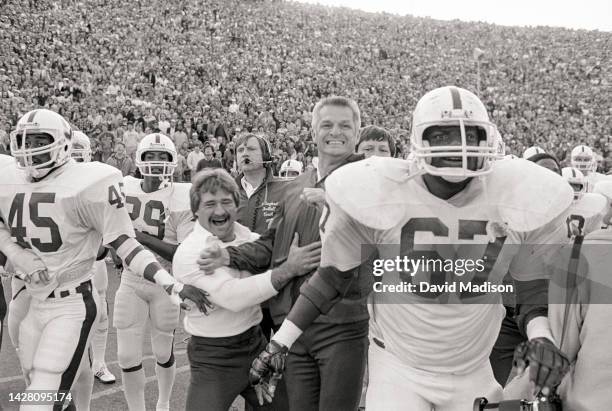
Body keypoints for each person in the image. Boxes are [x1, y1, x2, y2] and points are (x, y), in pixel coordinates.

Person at [246, 87, 574, 411]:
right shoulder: (380, 190)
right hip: (398, 366)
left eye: (469, 135)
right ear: (421, 140)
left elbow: (530, 288)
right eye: (444, 134)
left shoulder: (512, 195)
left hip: (472, 367)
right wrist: (280, 342)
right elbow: (332, 279)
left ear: (486, 141)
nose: (458, 145)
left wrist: (541, 335)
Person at [0, 109, 211, 411]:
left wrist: (171, 284)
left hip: (71, 299)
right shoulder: (7, 176)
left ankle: (162, 403)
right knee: (40, 384)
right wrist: (16, 256)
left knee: (42, 398)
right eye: (24, 140)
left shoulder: (91, 182)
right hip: (33, 295)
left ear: (62, 143)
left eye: (40, 139)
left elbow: (124, 244)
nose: (32, 148)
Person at [199, 97, 369, 411]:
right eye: (327, 124)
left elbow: (379, 241)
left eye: (345, 125)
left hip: (340, 326)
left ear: (358, 132)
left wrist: (334, 202)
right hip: (293, 327)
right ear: (314, 132)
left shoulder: (371, 179)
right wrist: (230, 256)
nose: (336, 132)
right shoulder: (296, 186)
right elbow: (270, 243)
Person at [173, 168, 318, 411]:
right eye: (210, 204)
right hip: (214, 359)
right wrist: (288, 269)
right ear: (195, 210)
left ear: (236, 204)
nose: (219, 210)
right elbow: (234, 297)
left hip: (254, 346)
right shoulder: (191, 252)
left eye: (226, 201)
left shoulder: (251, 239)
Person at [115, 133, 195, 411]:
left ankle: (163, 402)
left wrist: (137, 237)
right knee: (126, 355)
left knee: (163, 351)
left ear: (173, 162)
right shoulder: (124, 186)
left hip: (165, 281)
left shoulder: (182, 194)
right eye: (152, 156)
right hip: (131, 278)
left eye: (164, 157)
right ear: (140, 159)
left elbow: (179, 253)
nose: (157, 162)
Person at [71, 130, 116, 383]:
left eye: (80, 153)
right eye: (72, 151)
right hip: (64, 260)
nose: (75, 158)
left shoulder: (99, 180)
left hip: (95, 257)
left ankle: (98, 361)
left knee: (100, 312)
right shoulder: (51, 181)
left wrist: (103, 246)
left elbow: (111, 222)